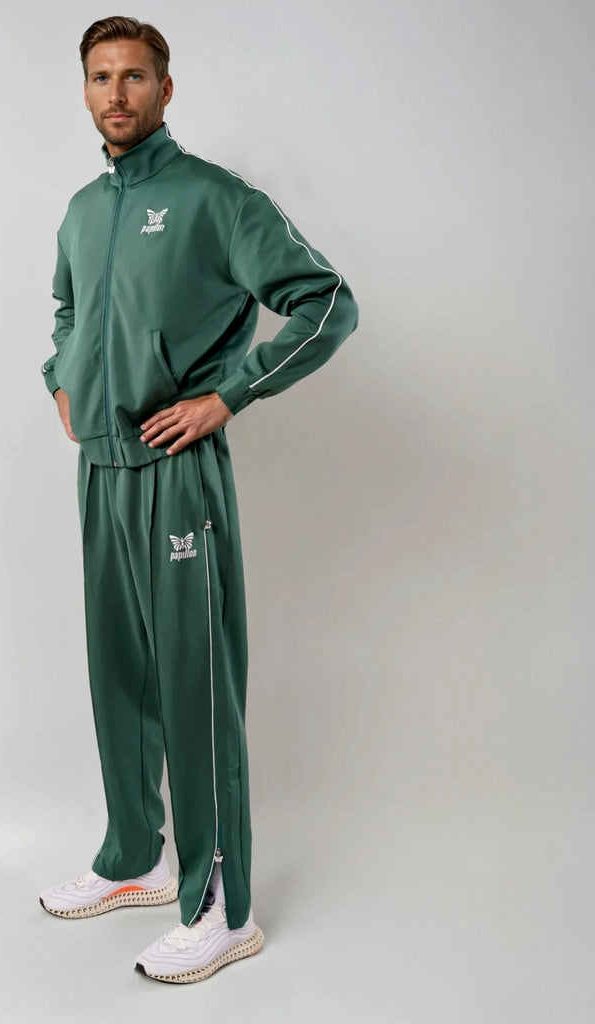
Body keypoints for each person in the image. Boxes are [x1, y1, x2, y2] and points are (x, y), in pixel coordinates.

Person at [37, 16, 359, 984]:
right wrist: (59, 375)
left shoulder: (214, 198)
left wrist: (230, 394)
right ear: (84, 90)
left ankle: (224, 907)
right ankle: (134, 856)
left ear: (166, 89)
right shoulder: (82, 210)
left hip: (179, 472)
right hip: (101, 470)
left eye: (135, 76)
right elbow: (68, 310)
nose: (117, 93)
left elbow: (326, 302)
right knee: (120, 673)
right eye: (101, 76)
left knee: (193, 684)